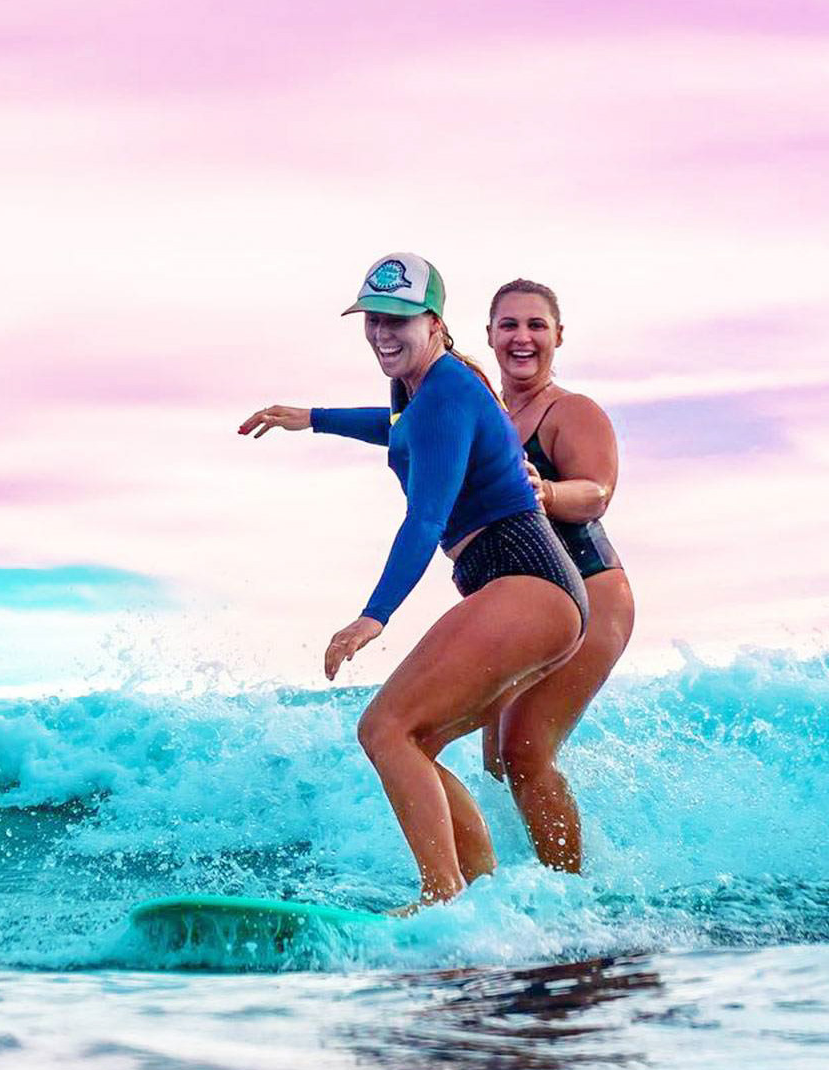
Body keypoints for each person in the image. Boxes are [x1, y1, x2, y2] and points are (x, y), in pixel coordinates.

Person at [237, 253, 588, 909]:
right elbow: (396, 427)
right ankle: (481, 896)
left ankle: (439, 895)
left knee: (384, 730)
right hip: (539, 593)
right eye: (373, 319)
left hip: (526, 581)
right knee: (416, 743)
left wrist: (375, 616)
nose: (383, 333)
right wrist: (311, 417)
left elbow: (425, 518)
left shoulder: (445, 394)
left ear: (434, 322)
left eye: (399, 320)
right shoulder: (424, 394)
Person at [477, 279, 634, 874]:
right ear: (489, 336)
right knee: (494, 758)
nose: (522, 337)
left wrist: (546, 491)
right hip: (521, 605)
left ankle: (573, 897)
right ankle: (525, 880)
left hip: (591, 591)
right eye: (509, 325)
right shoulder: (489, 415)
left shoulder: (572, 411)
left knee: (524, 749)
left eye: (536, 325)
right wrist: (312, 418)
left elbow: (595, 492)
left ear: (558, 337)